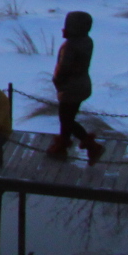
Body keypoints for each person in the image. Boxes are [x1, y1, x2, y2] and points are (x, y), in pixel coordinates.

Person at [50, 10, 104, 164]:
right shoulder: (87, 40)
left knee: (66, 119)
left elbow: (63, 68)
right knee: (68, 117)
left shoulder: (71, 45)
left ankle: (91, 146)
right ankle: (62, 146)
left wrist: (58, 82)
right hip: (82, 84)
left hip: (70, 88)